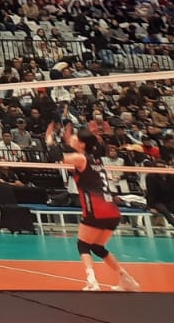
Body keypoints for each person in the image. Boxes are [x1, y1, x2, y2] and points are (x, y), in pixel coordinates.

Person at [51, 121, 140, 291]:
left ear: (82, 144)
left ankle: (92, 281)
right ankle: (127, 279)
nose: (72, 140)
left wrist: (50, 140)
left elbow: (55, 155)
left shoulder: (81, 159)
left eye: (75, 139)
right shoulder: (97, 160)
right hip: (112, 211)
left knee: (83, 245)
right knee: (97, 247)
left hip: (96, 210)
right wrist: (69, 140)